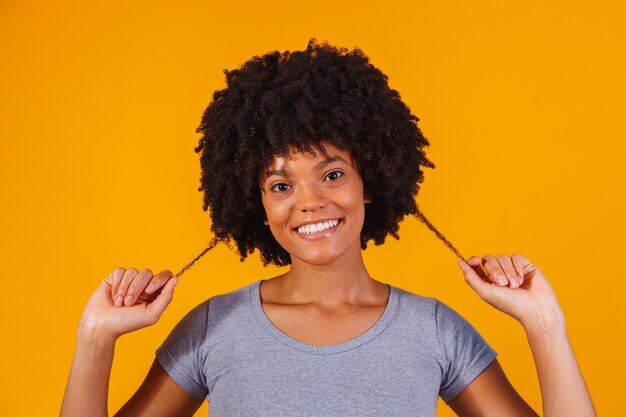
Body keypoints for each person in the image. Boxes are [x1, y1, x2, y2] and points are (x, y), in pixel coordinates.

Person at [60, 40, 596, 417]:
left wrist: (544, 322)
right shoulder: (212, 328)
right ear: (259, 206)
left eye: (332, 174)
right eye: (280, 185)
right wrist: (95, 336)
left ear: (370, 181)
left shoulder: (433, 330)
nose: (310, 203)